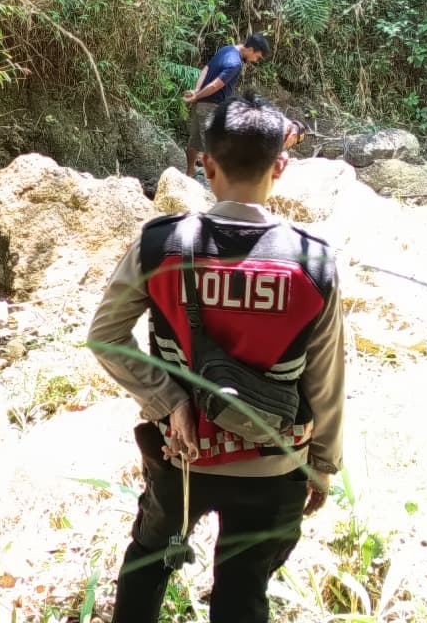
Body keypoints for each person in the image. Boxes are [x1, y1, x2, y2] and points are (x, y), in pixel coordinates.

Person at [88, 96, 345, 623]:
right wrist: (322, 463)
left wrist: (167, 400)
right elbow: (326, 379)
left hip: (183, 455)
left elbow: (105, 337)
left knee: (148, 563)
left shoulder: (161, 246)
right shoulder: (313, 262)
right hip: (275, 462)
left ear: (205, 164)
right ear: (280, 166)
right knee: (243, 590)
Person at [183, 33, 271, 178]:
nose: (255, 60)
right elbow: (215, 85)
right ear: (251, 49)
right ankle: (215, 183)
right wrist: (197, 95)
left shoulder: (227, 49)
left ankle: (189, 171)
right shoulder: (235, 63)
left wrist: (196, 92)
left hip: (201, 104)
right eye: (257, 56)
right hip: (211, 106)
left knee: (195, 141)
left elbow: (206, 69)